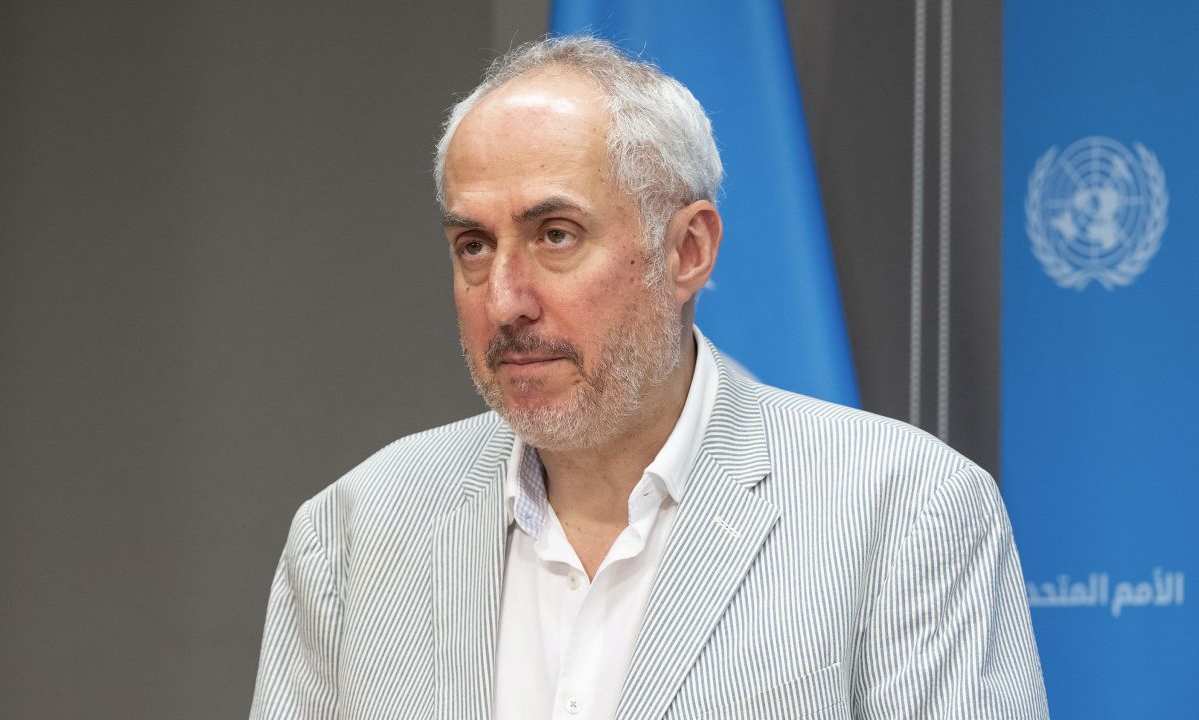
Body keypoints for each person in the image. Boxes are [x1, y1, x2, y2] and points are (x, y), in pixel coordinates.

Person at [250, 36, 1048, 720]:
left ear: (688, 251)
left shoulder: (906, 512)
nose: (504, 300)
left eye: (555, 235)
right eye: (473, 245)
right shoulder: (353, 535)